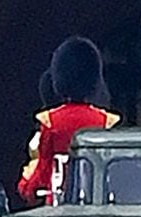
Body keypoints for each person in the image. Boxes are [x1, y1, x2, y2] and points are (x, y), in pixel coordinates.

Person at [18, 36, 120, 205]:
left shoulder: (51, 121)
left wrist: (26, 186)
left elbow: (44, 171)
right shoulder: (105, 121)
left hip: (59, 201)